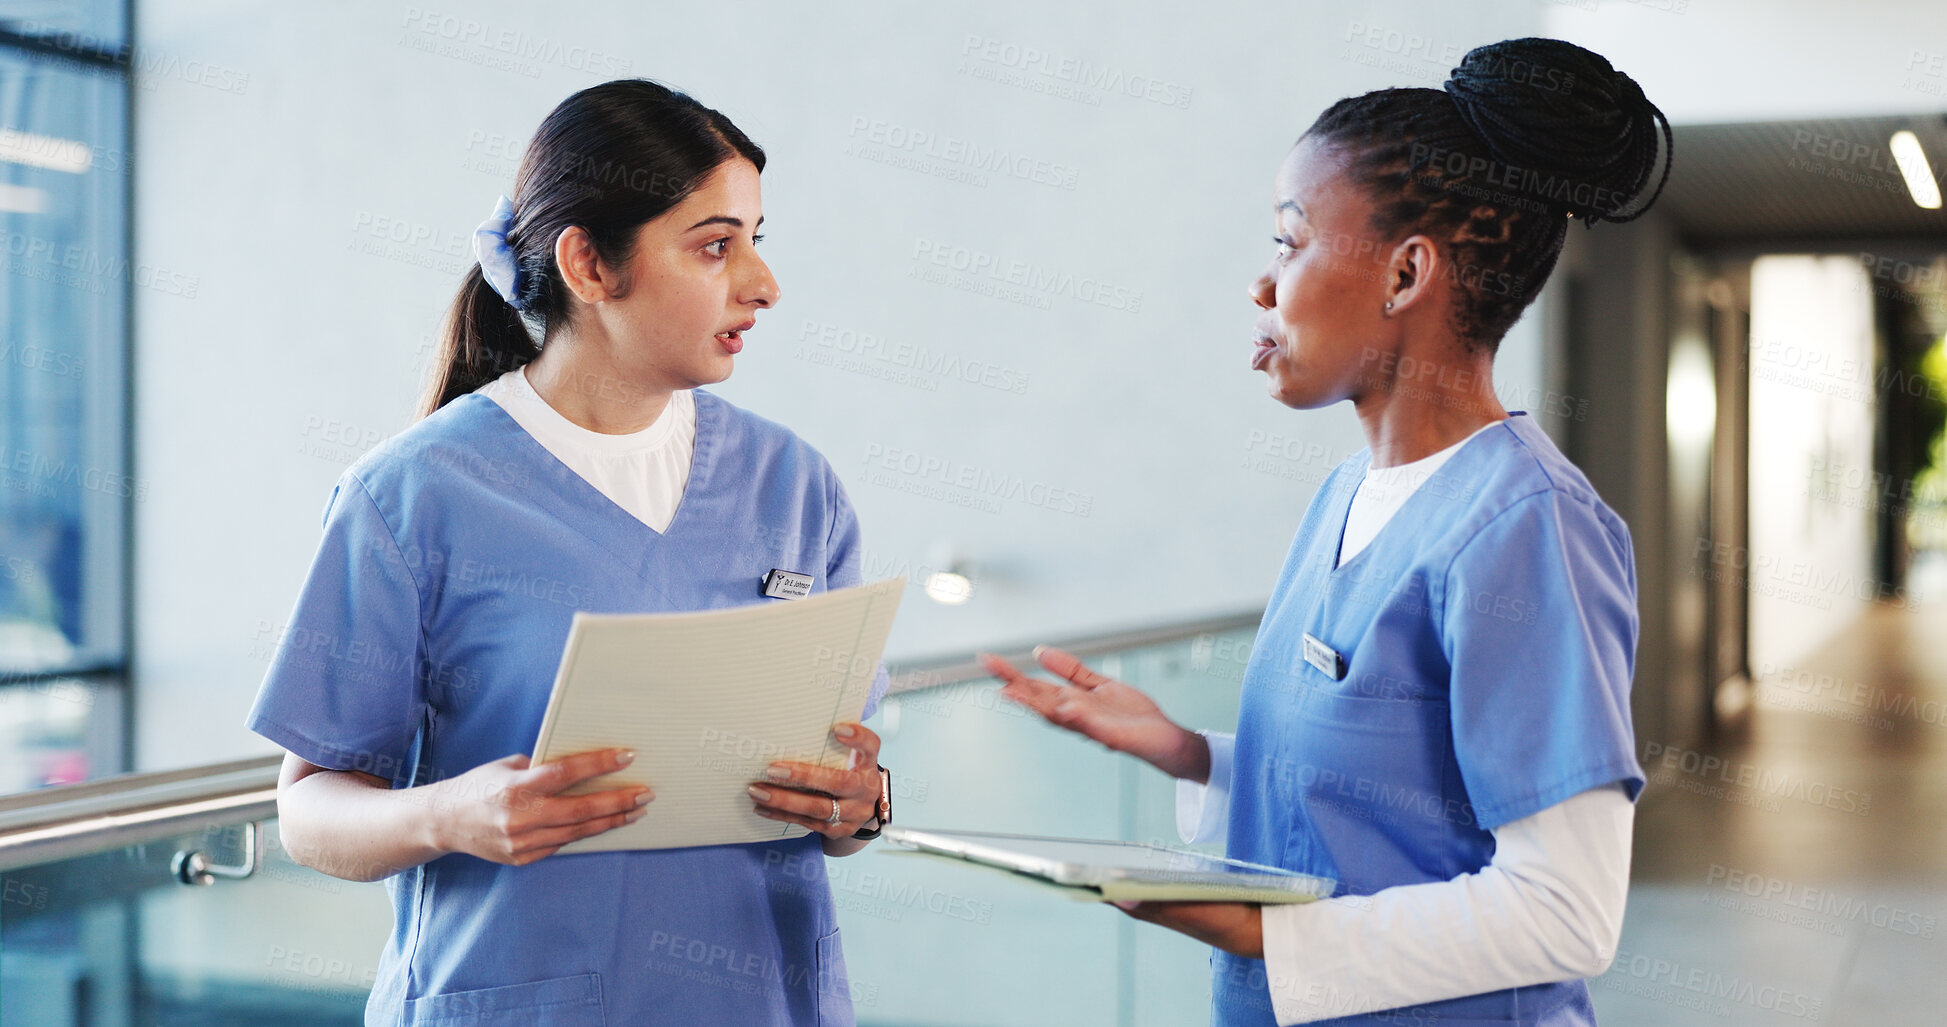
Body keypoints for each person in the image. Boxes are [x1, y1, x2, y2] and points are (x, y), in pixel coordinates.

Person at [982, 37, 1669, 1027]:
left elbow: (1566, 913)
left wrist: (1262, 932)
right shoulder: (1348, 493)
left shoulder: (1528, 530)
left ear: (1405, 275)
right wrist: (1192, 755)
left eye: (1290, 240)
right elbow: (1383, 807)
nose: (1262, 286)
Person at [246, 79, 892, 1026]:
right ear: (588, 264)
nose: (762, 283)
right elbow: (307, 814)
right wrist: (449, 815)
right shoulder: (414, 496)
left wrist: (857, 807)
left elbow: (839, 801)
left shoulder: (795, 485)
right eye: (716, 245)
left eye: (756, 239)